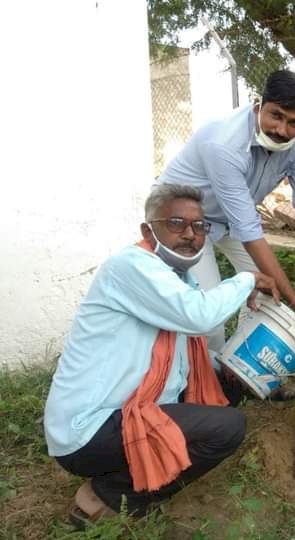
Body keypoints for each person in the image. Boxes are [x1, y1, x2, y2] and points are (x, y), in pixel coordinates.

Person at [44, 185, 280, 523]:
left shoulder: (176, 279)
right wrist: (246, 280)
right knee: (227, 428)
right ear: (147, 230)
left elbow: (186, 357)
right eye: (175, 223)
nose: (190, 234)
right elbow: (197, 315)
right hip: (89, 431)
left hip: (127, 411)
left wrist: (248, 367)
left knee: (229, 382)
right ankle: (111, 495)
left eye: (200, 227)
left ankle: (145, 458)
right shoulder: (131, 265)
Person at [158, 70, 295, 351]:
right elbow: (248, 228)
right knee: (208, 316)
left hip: (227, 220)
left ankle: (237, 370)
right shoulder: (224, 143)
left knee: (270, 290)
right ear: (258, 105)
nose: (282, 130)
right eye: (276, 116)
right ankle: (202, 387)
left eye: (293, 122)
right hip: (183, 221)